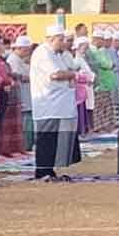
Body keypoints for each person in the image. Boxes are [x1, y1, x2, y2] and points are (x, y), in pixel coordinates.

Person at [31, 25, 81, 180]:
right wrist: (73, 75)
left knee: (54, 140)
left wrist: (71, 74)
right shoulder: (43, 52)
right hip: (47, 103)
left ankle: (49, 170)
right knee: (46, 139)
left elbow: (68, 70)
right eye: (60, 39)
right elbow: (56, 75)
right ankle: (42, 171)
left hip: (59, 103)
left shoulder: (58, 54)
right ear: (50, 39)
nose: (63, 42)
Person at [7, 36, 34, 151]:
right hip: (21, 96)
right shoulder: (13, 60)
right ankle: (24, 147)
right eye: (27, 50)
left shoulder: (21, 60)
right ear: (21, 49)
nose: (28, 53)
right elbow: (18, 76)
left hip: (27, 95)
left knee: (28, 123)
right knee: (25, 124)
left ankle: (27, 147)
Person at [89, 32, 117, 133]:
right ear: (96, 39)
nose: (103, 42)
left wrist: (110, 64)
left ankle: (107, 126)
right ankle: (98, 127)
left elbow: (111, 63)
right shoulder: (92, 51)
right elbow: (104, 64)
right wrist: (110, 65)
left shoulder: (101, 51)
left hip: (106, 83)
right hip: (99, 84)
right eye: (101, 40)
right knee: (99, 106)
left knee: (107, 106)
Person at [72, 37, 96, 138]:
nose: (85, 50)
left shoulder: (83, 59)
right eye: (84, 47)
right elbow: (76, 73)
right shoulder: (76, 60)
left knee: (87, 108)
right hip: (81, 88)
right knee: (82, 109)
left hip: (86, 87)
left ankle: (86, 129)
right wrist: (87, 78)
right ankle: (82, 130)